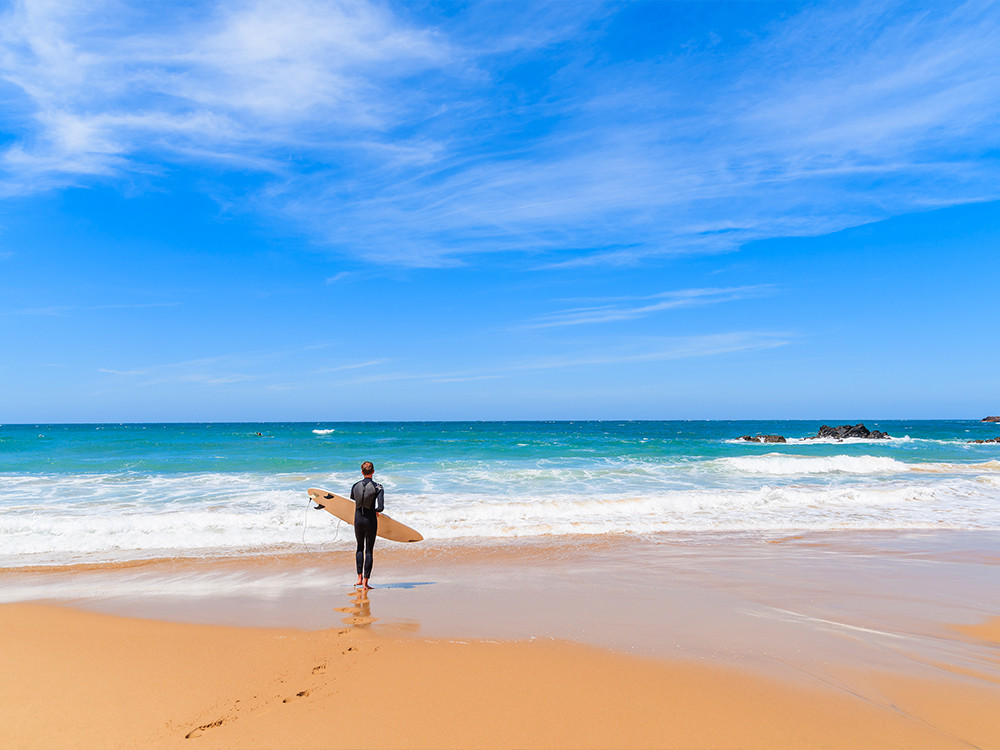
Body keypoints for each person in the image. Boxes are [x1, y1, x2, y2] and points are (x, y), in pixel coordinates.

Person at [350, 461, 383, 590]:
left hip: (358, 520)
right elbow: (380, 507)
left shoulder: (355, 485)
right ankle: (365, 582)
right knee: (369, 551)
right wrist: (377, 511)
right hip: (370, 521)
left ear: (362, 472)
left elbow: (352, 500)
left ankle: (358, 578)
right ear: (373, 472)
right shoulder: (378, 487)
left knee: (359, 548)